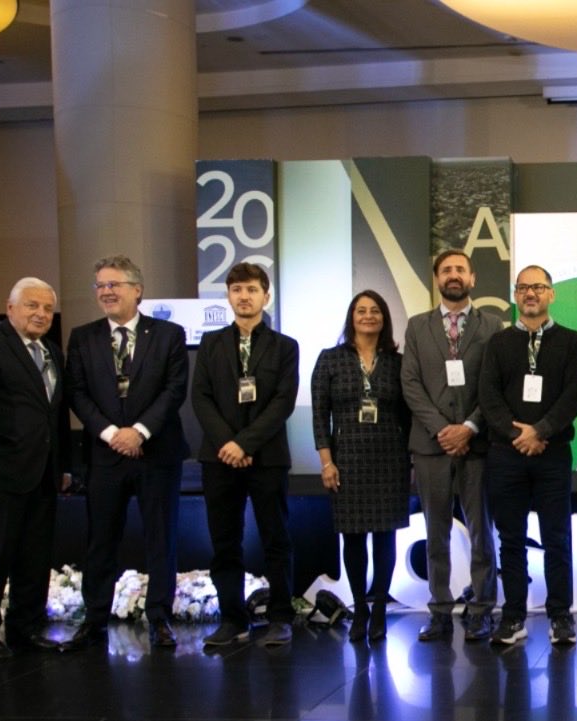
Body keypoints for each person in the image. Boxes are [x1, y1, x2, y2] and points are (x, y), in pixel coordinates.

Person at [61, 256, 189, 652]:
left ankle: (160, 620)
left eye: (114, 284)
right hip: (105, 455)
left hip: (156, 453)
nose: (106, 292)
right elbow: (76, 393)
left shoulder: (168, 334)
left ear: (138, 289)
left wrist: (140, 432)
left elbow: (174, 389)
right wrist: (114, 433)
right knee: (100, 540)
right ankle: (94, 619)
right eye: (100, 285)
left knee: (160, 539)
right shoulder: (83, 337)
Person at [0, 278, 69, 660]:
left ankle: (26, 629)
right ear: (10, 308)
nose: (40, 314)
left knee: (34, 560)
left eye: (47, 309)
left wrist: (63, 468)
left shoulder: (52, 351)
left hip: (42, 476)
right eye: (31, 306)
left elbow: (54, 417)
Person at [477, 265, 577, 646]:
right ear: (515, 294)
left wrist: (540, 431)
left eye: (538, 287)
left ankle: (561, 616)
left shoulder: (571, 341)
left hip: (552, 452)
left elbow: (575, 395)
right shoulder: (499, 342)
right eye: (524, 287)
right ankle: (513, 617)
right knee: (510, 539)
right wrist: (516, 434)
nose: (530, 294)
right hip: (505, 455)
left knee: (557, 537)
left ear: (551, 294)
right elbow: (488, 396)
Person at [192, 262, 300, 648]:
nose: (244, 296)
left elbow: (283, 402)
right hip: (219, 458)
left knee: (276, 539)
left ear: (265, 296)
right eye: (237, 289)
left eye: (252, 289)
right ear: (228, 296)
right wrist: (229, 444)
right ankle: (232, 619)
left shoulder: (285, 347)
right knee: (224, 542)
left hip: (267, 457)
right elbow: (200, 398)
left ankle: (281, 618)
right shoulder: (210, 344)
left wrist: (246, 443)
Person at [402, 248, 501, 642]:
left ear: (473, 278)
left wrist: (470, 427)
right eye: (446, 270)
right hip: (431, 446)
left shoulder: (493, 326)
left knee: (481, 532)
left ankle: (482, 609)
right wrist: (444, 429)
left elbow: (494, 386)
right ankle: (440, 610)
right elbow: (410, 382)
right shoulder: (417, 326)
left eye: (461, 269)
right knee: (436, 531)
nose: (454, 275)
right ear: (437, 279)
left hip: (477, 446)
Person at [311, 290, 411, 643]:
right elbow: (320, 415)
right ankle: (360, 609)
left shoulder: (398, 363)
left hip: (389, 459)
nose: (368, 316)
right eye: (360, 310)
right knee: (353, 539)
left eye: (375, 311)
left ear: (384, 318)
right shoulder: (330, 360)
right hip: (347, 460)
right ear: (351, 317)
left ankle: (380, 608)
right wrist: (327, 462)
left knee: (385, 539)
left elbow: (408, 415)